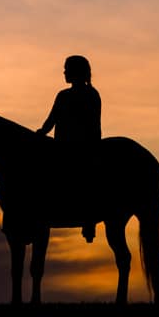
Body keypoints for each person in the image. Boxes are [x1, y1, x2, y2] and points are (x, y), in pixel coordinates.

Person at [37, 55, 102, 242]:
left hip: (79, 147)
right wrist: (40, 133)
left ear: (76, 72)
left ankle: (88, 219)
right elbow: (50, 122)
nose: (64, 72)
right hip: (63, 146)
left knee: (85, 178)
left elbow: (92, 124)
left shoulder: (88, 95)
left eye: (67, 69)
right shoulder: (65, 95)